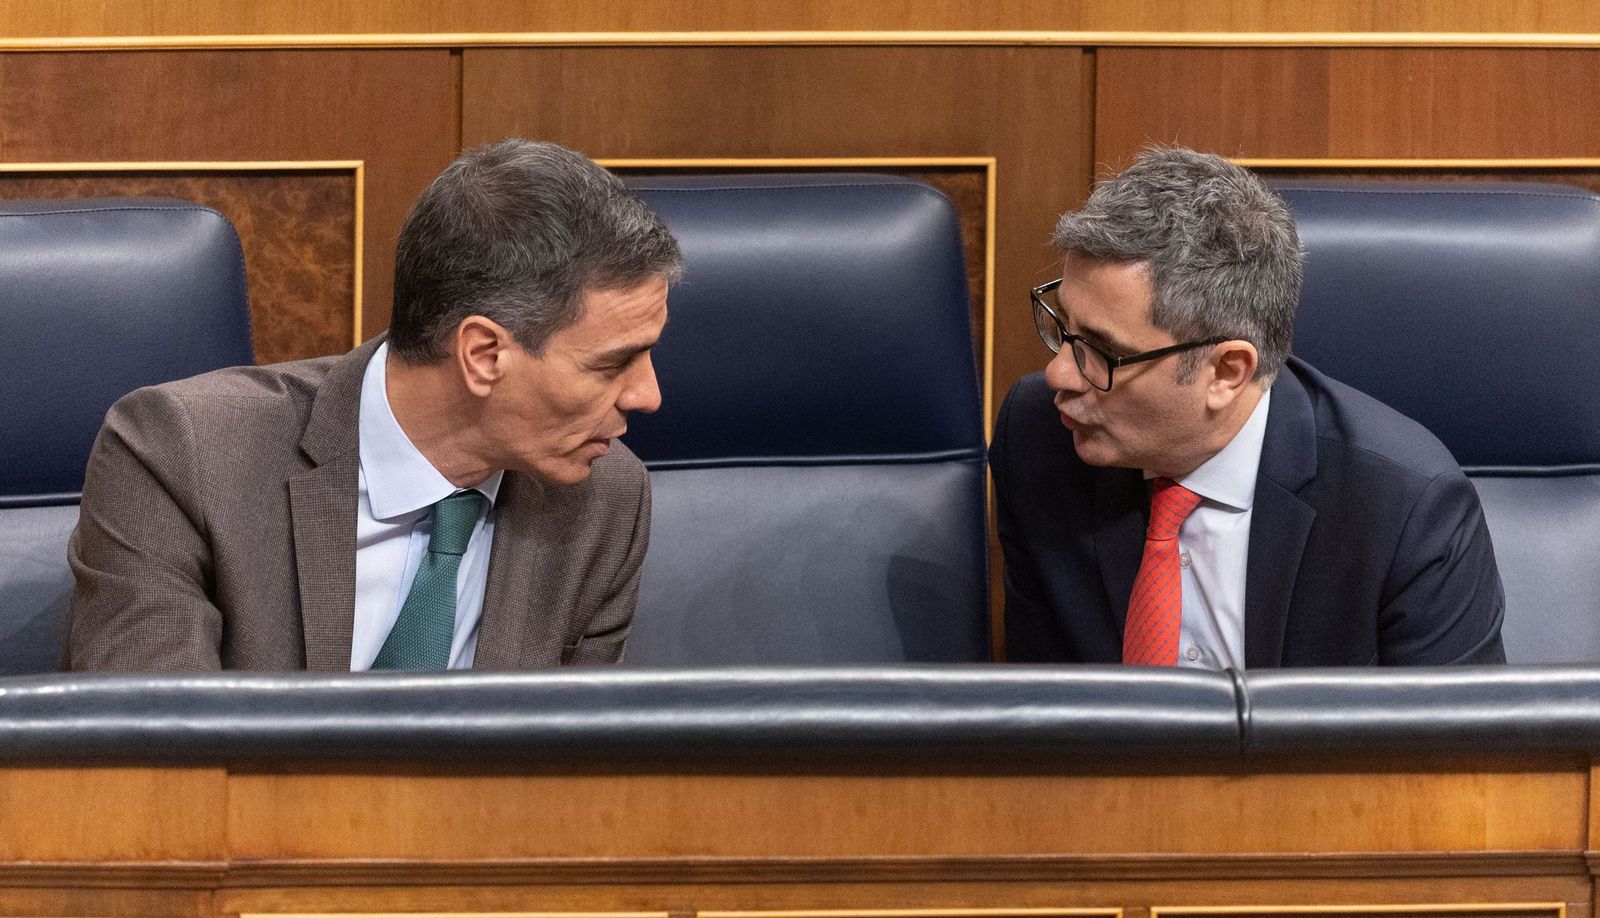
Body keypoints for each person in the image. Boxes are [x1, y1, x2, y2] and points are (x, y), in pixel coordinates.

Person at [67, 139, 682, 671]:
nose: (648, 396)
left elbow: (572, 771)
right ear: (484, 354)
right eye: (610, 364)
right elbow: (159, 765)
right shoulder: (180, 456)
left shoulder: (605, 500)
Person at [992, 146, 1505, 667]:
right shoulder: (1036, 439)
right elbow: (1043, 714)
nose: (1058, 374)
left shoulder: (1404, 509)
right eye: (1064, 327)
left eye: (1101, 351)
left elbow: (1457, 747)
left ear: (1226, 372)